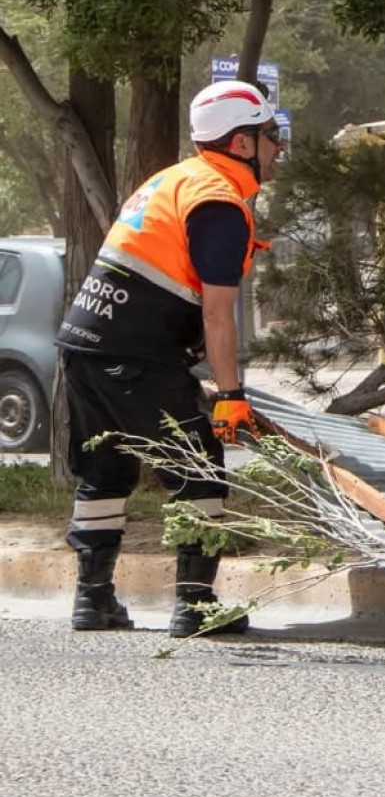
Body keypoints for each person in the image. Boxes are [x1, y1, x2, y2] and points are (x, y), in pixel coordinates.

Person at [56, 79, 285, 636]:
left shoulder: (172, 180)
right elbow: (217, 314)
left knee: (106, 469)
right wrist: (231, 397)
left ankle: (92, 600)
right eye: (270, 135)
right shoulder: (220, 203)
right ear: (241, 144)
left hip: (84, 345)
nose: (278, 147)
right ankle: (196, 606)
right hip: (136, 354)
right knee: (198, 469)